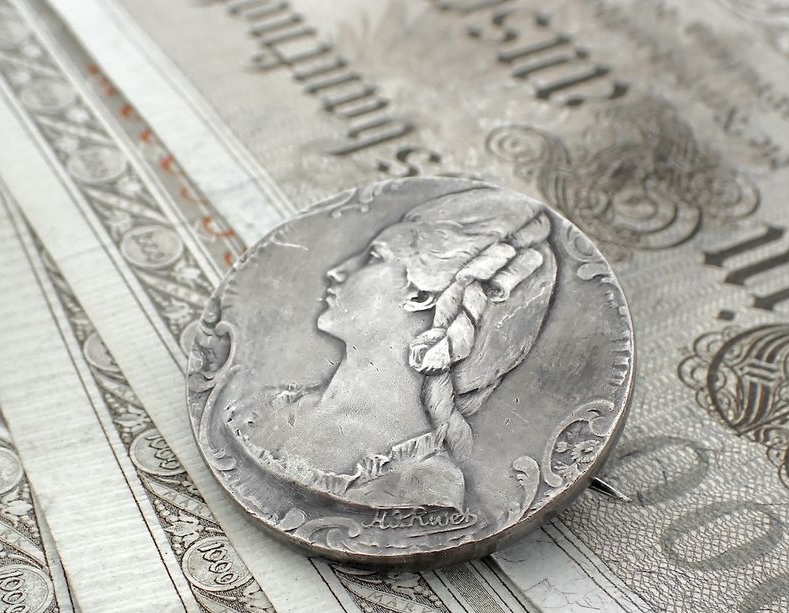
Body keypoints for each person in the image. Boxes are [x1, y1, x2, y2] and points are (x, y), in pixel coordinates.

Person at [225, 186, 557, 513]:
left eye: (373, 257)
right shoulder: (263, 409)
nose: (337, 270)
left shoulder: (423, 484)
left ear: (421, 297)